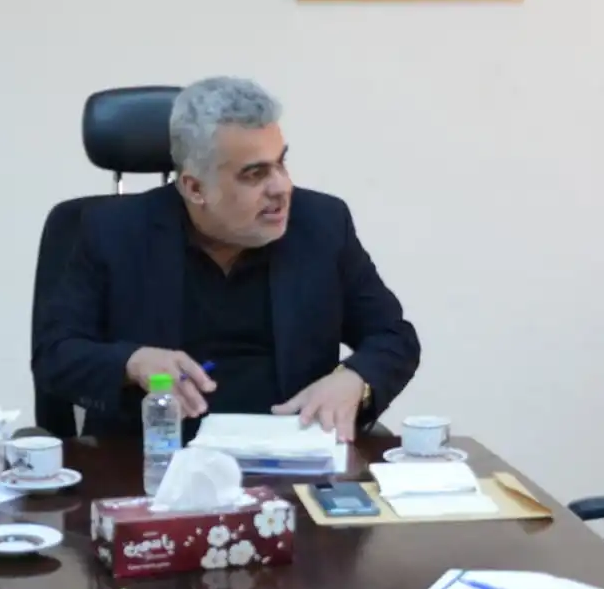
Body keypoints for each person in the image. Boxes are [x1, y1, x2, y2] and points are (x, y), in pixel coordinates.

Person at [32, 76, 419, 439]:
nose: (281, 187)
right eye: (255, 174)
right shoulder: (113, 232)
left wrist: (355, 380)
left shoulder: (322, 225)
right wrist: (132, 362)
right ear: (194, 188)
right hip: (155, 459)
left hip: (290, 456)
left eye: (281, 163)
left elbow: (393, 336)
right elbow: (54, 354)